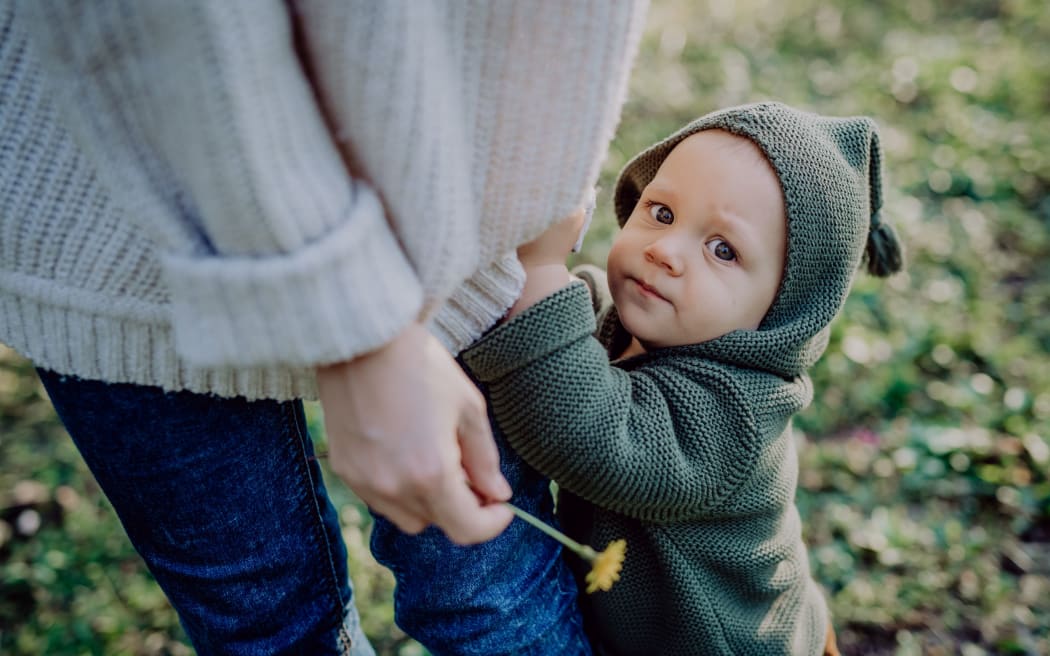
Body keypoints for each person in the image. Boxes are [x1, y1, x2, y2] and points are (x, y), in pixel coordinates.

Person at [0, 2, 648, 654]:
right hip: (125, 244)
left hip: (455, 221)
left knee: (493, 596)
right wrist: (361, 331)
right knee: (270, 620)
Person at [371, 101, 902, 655]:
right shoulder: (624, 320)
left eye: (722, 250)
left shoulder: (736, 415)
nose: (665, 251)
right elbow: (557, 338)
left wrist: (541, 272)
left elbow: (588, 437)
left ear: (783, 314)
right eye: (662, 212)